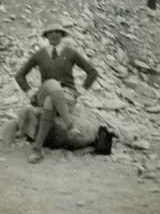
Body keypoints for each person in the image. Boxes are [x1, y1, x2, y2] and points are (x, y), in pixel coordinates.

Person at [15, 19, 98, 163]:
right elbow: (19, 75)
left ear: (62, 34)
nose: (54, 35)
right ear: (46, 35)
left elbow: (92, 72)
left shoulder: (71, 53)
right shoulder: (39, 54)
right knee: (52, 84)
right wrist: (29, 92)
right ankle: (70, 125)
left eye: (57, 32)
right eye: (50, 32)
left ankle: (37, 150)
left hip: (67, 97)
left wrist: (82, 90)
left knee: (50, 102)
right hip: (44, 92)